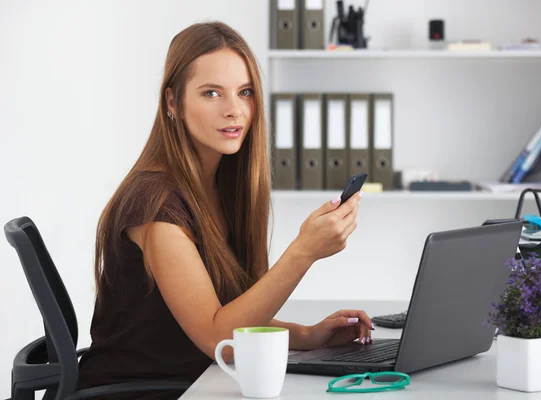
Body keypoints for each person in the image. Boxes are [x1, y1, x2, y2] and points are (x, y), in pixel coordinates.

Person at [77, 21, 371, 399]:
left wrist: (308, 335)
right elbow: (220, 339)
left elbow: (231, 313)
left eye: (245, 92)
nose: (234, 110)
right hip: (142, 392)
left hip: (194, 383)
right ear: (172, 102)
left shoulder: (218, 188)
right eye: (211, 93)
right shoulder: (154, 204)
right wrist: (304, 251)